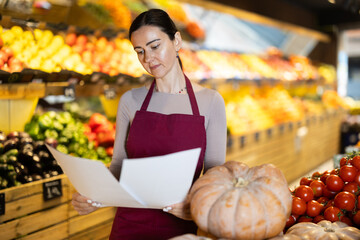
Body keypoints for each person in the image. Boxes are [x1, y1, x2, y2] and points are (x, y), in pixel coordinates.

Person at [71, 8, 227, 239]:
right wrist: (93, 194)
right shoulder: (130, 101)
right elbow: (119, 167)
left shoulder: (211, 102)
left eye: (155, 46)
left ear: (176, 41)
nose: (148, 59)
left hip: (180, 228)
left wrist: (194, 206)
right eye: (139, 51)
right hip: (128, 226)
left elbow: (216, 177)